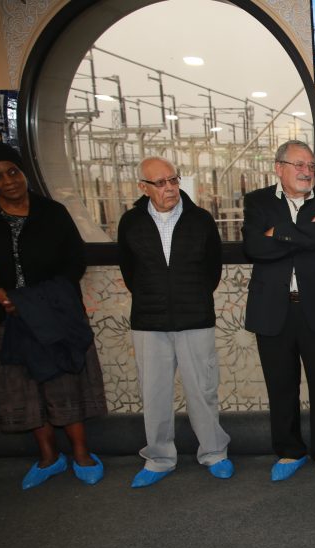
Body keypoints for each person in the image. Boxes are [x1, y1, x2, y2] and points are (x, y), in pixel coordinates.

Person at [0, 138, 107, 489]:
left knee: (64, 386)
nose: (8, 181)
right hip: (5, 319)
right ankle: (48, 457)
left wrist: (37, 300)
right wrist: (0, 295)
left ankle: (82, 453)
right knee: (23, 389)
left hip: (53, 316)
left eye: (12, 172)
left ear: (23, 172)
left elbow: (74, 261)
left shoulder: (53, 212)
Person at [117, 156, 231, 488]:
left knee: (203, 391)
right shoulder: (131, 222)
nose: (169, 188)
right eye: (160, 183)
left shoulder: (200, 220)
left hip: (195, 318)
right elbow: (129, 272)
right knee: (154, 394)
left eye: (173, 180)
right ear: (143, 187)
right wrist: (153, 296)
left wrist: (190, 297)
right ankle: (159, 459)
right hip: (149, 322)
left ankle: (214, 453)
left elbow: (212, 270)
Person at [243, 140, 315, 482]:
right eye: (299, 165)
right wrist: (305, 232)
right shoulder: (257, 201)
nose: (307, 172)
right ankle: (289, 451)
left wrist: (278, 233)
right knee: (281, 384)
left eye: (311, 166)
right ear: (279, 168)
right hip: (272, 309)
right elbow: (254, 247)